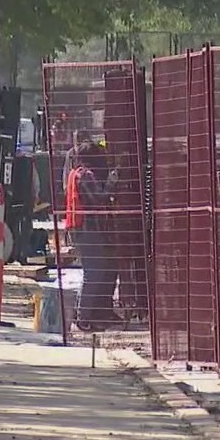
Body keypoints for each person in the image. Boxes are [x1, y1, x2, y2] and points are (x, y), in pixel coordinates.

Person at [65, 141, 123, 332]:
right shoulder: (85, 175)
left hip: (85, 229)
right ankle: (83, 317)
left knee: (104, 269)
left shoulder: (77, 173)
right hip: (86, 230)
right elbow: (98, 199)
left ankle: (96, 312)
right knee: (94, 272)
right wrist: (112, 183)